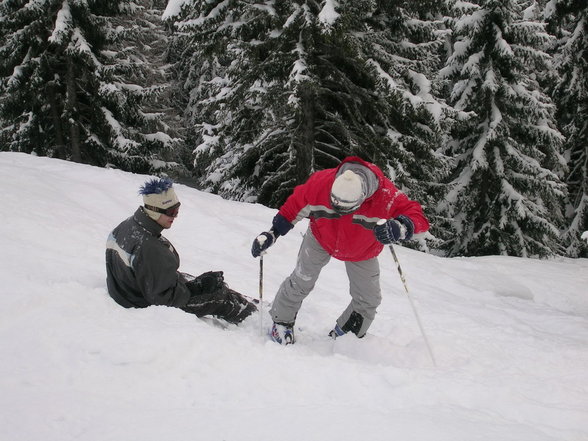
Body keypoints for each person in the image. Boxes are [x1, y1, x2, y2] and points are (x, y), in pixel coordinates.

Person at [251, 156, 429, 344]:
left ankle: (346, 336)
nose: (338, 211)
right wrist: (273, 233)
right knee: (302, 280)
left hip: (362, 249)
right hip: (321, 238)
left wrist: (401, 226)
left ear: (361, 199)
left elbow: (418, 217)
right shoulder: (321, 183)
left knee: (368, 299)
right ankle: (281, 321)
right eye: (334, 204)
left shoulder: (386, 195)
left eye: (345, 209)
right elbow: (293, 207)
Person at [106, 177, 257, 324]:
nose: (175, 216)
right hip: (142, 302)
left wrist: (195, 285)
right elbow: (163, 300)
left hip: (128, 290)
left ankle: (243, 301)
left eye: (177, 209)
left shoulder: (128, 225)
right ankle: (253, 317)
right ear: (153, 210)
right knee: (220, 296)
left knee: (192, 279)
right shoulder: (149, 248)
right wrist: (196, 289)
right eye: (170, 212)